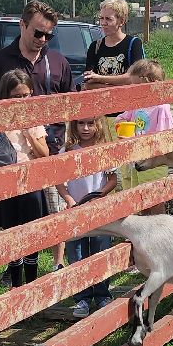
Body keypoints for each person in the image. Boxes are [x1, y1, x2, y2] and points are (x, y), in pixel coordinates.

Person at [0, 0, 75, 153]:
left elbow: (72, 104)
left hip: (54, 148)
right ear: (22, 25)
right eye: (38, 33)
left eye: (48, 36)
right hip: (13, 152)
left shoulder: (59, 62)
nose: (42, 39)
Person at [56, 114, 122, 318]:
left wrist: (98, 195)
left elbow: (112, 179)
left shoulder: (104, 150)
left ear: (98, 125)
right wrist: (69, 199)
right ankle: (82, 298)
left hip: (98, 210)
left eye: (90, 123)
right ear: (74, 125)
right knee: (77, 253)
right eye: (81, 123)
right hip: (75, 210)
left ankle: (102, 295)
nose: (85, 128)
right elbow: (59, 181)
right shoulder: (67, 151)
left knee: (100, 250)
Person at [0, 69, 50, 290]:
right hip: (7, 182)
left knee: (31, 232)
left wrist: (29, 135)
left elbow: (44, 154)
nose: (23, 100)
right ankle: (16, 285)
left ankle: (31, 284)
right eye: (17, 96)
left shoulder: (34, 119)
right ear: (6, 96)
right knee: (12, 233)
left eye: (26, 95)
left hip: (30, 181)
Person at [81, 0, 145, 89]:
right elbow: (88, 84)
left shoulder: (134, 44)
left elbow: (134, 78)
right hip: (101, 98)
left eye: (108, 19)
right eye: (101, 18)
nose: (103, 23)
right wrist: (119, 84)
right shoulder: (95, 46)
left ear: (121, 21)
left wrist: (99, 78)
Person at [115, 58, 173, 139]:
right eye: (133, 86)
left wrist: (136, 139)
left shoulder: (161, 108)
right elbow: (121, 118)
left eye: (138, 87)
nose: (133, 90)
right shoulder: (137, 104)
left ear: (154, 85)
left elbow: (163, 138)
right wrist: (124, 125)